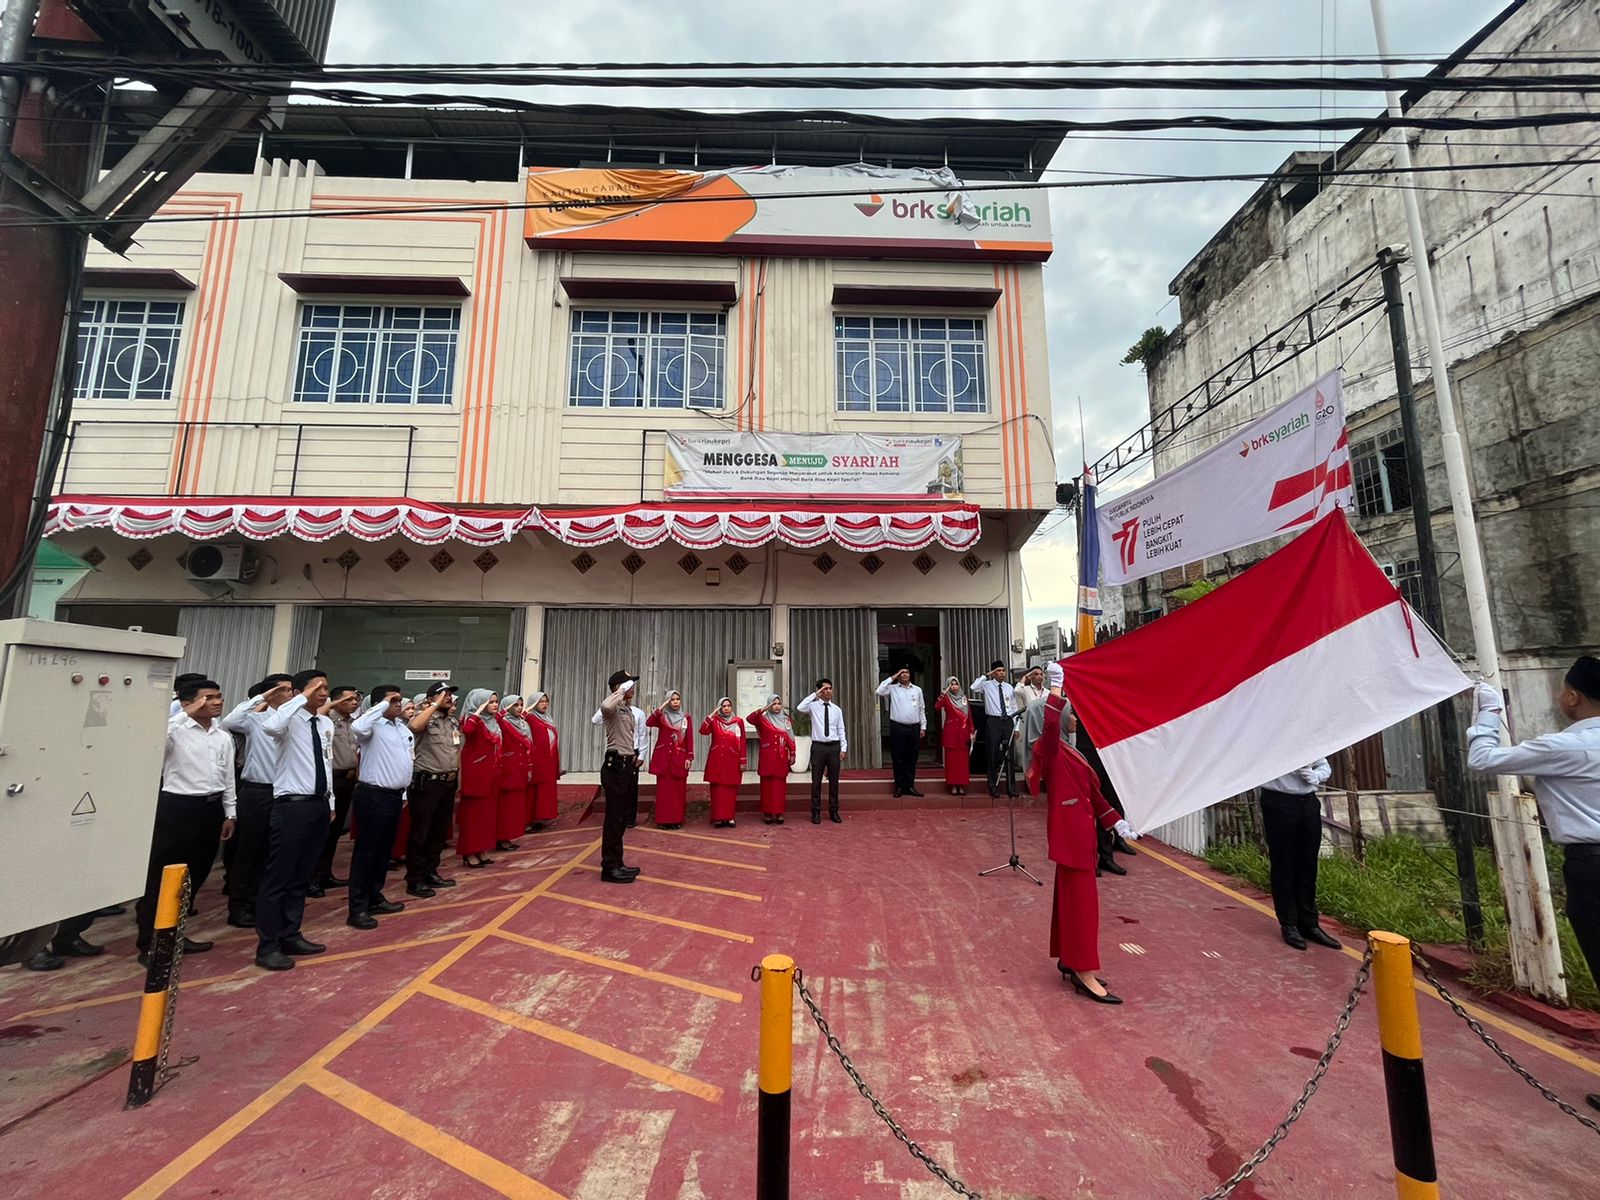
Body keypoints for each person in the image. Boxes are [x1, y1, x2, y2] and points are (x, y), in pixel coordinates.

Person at [1468, 658, 1600, 1115]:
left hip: (1592, 865)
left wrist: (1487, 713)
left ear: (1572, 697)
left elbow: (1483, 760)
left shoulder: (1569, 745)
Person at [1028, 665, 1137, 1004]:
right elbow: (1048, 725)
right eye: (1071, 717)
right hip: (1070, 839)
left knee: (1072, 903)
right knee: (1083, 909)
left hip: (1081, 840)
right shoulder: (1052, 750)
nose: (1075, 721)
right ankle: (1083, 970)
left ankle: (1067, 958)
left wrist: (1116, 822)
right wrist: (1056, 688)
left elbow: (1097, 795)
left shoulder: (1073, 752)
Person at [133, 678, 235, 967]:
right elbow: (152, 744)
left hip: (211, 808)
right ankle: (149, 943)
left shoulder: (221, 735)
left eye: (218, 696)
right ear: (187, 702)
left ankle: (175, 935)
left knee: (193, 877)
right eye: (208, 698)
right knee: (162, 878)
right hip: (178, 808)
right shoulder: (174, 730)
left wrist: (230, 813)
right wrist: (185, 714)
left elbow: (228, 779)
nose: (216, 702)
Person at [253, 669, 336, 972]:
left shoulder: (325, 722)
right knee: (279, 876)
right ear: (301, 691)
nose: (324, 692)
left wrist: (331, 801)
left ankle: (291, 933)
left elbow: (325, 762)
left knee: (302, 875)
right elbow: (270, 726)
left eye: (326, 687)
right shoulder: (286, 719)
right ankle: (268, 944)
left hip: (317, 805)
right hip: (291, 806)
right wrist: (299, 697)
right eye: (317, 688)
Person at [220, 673, 292, 928]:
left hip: (285, 794)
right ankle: (239, 907)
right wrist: (263, 697)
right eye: (285, 690)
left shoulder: (296, 722)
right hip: (258, 792)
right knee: (249, 851)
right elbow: (229, 721)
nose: (291, 694)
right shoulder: (255, 720)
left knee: (272, 852)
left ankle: (260, 901)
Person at [346, 685, 412, 930]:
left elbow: (405, 762)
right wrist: (382, 705)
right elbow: (357, 727)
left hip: (394, 796)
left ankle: (375, 896)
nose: (398, 703)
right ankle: (358, 907)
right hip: (373, 795)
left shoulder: (401, 729)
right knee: (366, 852)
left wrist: (403, 792)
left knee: (383, 851)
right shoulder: (371, 727)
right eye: (392, 700)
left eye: (399, 699)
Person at [1256, 757, 1337, 951]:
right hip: (1278, 801)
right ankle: (1289, 923)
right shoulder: (1269, 743)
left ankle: (1309, 923)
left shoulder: (1307, 739)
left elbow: (1324, 766)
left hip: (1308, 802)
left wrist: (1315, 775)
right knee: (1284, 864)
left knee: (1308, 864)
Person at [405, 682, 461, 898]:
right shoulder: (423, 718)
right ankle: (415, 879)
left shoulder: (453, 721)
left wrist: (458, 780)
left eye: (450, 694)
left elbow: (457, 751)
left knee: (439, 831)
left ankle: (431, 871)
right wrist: (433, 705)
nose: (448, 697)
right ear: (430, 698)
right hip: (427, 782)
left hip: (447, 782)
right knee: (421, 831)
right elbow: (415, 727)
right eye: (443, 694)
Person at [309, 685, 362, 897]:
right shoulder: (326, 718)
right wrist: (331, 705)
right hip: (332, 779)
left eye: (356, 699)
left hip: (348, 780)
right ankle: (311, 878)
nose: (354, 703)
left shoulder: (352, 722)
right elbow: (319, 714)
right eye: (348, 699)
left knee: (335, 831)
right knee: (321, 832)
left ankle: (325, 873)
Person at [598, 671, 643, 883]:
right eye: (628, 685)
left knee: (622, 818)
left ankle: (618, 862)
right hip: (614, 766)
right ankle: (609, 868)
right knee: (613, 819)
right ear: (618, 687)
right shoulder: (613, 707)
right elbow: (605, 707)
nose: (632, 688)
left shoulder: (627, 709)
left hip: (626, 766)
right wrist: (621, 690)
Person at [456, 689, 502, 868]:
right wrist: (477, 711)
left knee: (486, 816)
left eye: (496, 701)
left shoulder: (494, 722)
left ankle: (481, 849)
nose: (495, 705)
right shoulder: (474, 722)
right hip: (476, 775)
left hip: (491, 774)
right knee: (473, 817)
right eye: (490, 702)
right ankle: (469, 852)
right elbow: (467, 730)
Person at [593, 688, 648, 826]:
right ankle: (618, 817)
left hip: (633, 752)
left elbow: (642, 735)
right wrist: (614, 700)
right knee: (618, 790)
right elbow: (596, 720)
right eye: (628, 689)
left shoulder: (637, 712)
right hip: (618, 753)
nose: (632, 691)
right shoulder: (610, 709)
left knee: (631, 788)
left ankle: (630, 818)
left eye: (633, 689)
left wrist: (642, 754)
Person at [797, 679, 847, 824]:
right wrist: (815, 695)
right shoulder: (812, 707)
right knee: (816, 781)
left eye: (830, 689)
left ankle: (834, 811)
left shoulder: (837, 710)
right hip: (818, 747)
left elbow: (841, 729)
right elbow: (800, 707)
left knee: (834, 781)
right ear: (819, 691)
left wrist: (843, 748)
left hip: (834, 747)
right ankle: (816, 812)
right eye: (824, 689)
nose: (828, 691)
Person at [876, 666, 927, 798]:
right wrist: (893, 676)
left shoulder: (917, 690)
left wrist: (923, 726)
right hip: (898, 727)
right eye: (902, 672)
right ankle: (899, 786)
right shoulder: (892, 689)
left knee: (911, 758)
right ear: (898, 675)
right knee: (898, 757)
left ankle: (909, 785)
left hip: (914, 727)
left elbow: (921, 708)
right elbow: (879, 690)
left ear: (910, 675)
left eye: (907, 672)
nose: (904, 675)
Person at [647, 689, 693, 829]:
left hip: (679, 759)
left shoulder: (686, 717)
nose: (675, 702)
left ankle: (676, 820)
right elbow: (649, 722)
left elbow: (689, 738)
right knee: (664, 792)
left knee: (678, 792)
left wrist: (689, 757)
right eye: (672, 700)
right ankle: (663, 820)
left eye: (677, 699)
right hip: (664, 759)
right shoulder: (662, 717)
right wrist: (661, 707)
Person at [972, 661, 1019, 797]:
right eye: (998, 671)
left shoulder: (1009, 687)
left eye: (1003, 671)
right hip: (993, 721)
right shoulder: (986, 685)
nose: (1002, 673)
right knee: (992, 753)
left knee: (1009, 754)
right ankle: (993, 785)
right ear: (993, 672)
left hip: (1008, 721)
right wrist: (986, 676)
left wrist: (1016, 727)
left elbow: (1014, 706)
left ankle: (1011, 788)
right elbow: (973, 687)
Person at [749, 694, 797, 824]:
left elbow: (790, 736)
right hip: (767, 757)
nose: (776, 706)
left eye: (778, 704)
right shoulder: (763, 719)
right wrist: (764, 709)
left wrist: (793, 752)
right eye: (773, 704)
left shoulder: (786, 720)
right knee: (766, 786)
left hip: (781, 757)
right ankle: (768, 813)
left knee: (779, 786)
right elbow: (750, 719)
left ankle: (779, 812)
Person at [495, 695, 534, 852]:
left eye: (521, 705)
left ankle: (509, 836)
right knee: (506, 807)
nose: (519, 708)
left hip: (520, 768)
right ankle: (502, 838)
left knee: (515, 806)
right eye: (515, 705)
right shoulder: (502, 723)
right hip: (508, 769)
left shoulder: (523, 723)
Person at [701, 697, 747, 828]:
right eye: (723, 706)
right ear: (719, 708)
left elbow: (742, 742)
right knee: (717, 790)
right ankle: (718, 817)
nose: (726, 708)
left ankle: (729, 817)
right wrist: (710, 716)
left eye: (728, 706)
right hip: (717, 760)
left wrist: (742, 760)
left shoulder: (738, 722)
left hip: (732, 760)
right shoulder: (715, 721)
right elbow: (703, 731)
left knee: (730, 790)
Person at [526, 692, 562, 831]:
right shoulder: (529, 718)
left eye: (546, 701)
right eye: (541, 701)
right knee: (534, 791)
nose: (544, 704)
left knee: (545, 790)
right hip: (537, 761)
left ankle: (541, 817)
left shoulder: (547, 718)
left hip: (549, 760)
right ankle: (530, 819)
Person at [934, 676, 975, 796]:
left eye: (956, 684)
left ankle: (961, 785)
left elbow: (969, 716)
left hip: (963, 733)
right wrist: (943, 694)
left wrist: (972, 731)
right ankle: (952, 785)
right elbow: (937, 707)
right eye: (951, 685)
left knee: (962, 761)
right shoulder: (946, 698)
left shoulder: (964, 698)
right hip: (951, 733)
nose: (954, 687)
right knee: (952, 761)